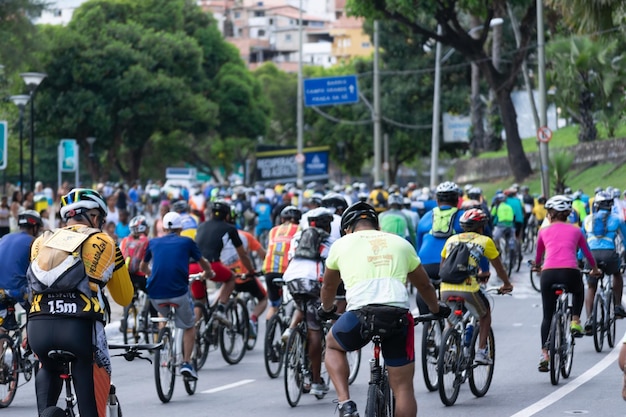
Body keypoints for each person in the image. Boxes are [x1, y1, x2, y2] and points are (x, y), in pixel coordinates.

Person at [319, 202, 450, 417]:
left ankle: (346, 404)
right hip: (397, 315)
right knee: (403, 388)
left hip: (359, 314)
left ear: (347, 229)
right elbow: (424, 285)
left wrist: (326, 308)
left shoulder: (341, 244)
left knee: (333, 346)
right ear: (377, 227)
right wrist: (436, 308)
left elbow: (329, 286)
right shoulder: (400, 243)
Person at [26, 188, 134, 417]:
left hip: (38, 328)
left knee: (47, 365)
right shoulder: (105, 241)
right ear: (94, 217)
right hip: (79, 330)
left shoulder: (40, 242)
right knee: (91, 400)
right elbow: (124, 297)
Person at [140, 211, 214, 381]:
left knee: (162, 315)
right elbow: (202, 262)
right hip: (178, 292)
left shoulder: (153, 242)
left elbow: (143, 267)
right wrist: (208, 272)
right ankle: (186, 363)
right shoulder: (187, 242)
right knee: (189, 325)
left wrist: (153, 275)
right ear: (181, 228)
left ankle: (164, 345)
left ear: (164, 228)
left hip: (155, 294)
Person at [532, 195, 601, 372]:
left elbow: (538, 258)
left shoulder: (543, 232)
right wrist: (594, 269)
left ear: (550, 215)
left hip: (548, 275)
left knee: (547, 316)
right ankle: (575, 320)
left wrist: (538, 267)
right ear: (568, 214)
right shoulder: (576, 230)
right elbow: (587, 253)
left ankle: (544, 354)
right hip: (570, 273)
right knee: (578, 291)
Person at [439, 209, 513, 364]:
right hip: (468, 289)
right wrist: (506, 284)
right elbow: (499, 268)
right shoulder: (485, 241)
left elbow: (445, 267)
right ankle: (481, 352)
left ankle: (447, 349)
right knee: (485, 314)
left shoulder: (451, 240)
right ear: (482, 226)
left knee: (452, 321)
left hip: (445, 288)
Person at [283, 207, 335, 397]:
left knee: (302, 306)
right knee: (315, 329)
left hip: (292, 278)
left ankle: (291, 329)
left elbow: (290, 258)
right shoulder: (330, 241)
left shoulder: (298, 237)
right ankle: (315, 381)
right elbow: (332, 269)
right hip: (312, 281)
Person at [195, 200, 257, 322]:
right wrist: (251, 270)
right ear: (227, 215)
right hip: (212, 265)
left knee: (200, 302)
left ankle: (197, 333)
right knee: (231, 278)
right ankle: (221, 309)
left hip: (192, 266)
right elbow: (243, 255)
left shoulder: (201, 225)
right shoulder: (230, 228)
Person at [581, 191, 626, 333]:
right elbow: (625, 240)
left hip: (590, 256)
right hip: (609, 254)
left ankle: (589, 319)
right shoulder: (617, 219)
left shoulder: (587, 219)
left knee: (591, 286)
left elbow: (582, 242)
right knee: (617, 274)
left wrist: (579, 258)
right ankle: (618, 305)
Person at [0, 210, 43, 331]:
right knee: (36, 314)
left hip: (0, 290)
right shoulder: (34, 242)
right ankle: (32, 344)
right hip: (18, 290)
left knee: (2, 325)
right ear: (35, 227)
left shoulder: (5, 237)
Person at [262, 205, 301, 319]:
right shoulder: (300, 229)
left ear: (282, 219)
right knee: (301, 305)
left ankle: (269, 331)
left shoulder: (273, 231)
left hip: (269, 270)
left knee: (273, 306)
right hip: (289, 271)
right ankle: (292, 329)